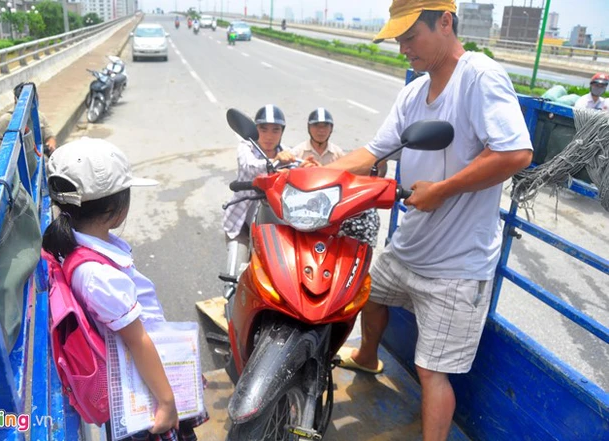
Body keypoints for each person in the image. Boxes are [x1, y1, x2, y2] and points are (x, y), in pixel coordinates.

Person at [326, 1, 533, 440]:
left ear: (444, 21)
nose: (403, 48)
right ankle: (366, 356)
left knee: (430, 371)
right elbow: (373, 152)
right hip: (410, 248)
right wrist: (314, 176)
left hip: (457, 266)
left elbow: (516, 153)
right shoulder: (413, 93)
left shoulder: (479, 76)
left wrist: (441, 190)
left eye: (410, 36)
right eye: (398, 39)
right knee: (367, 291)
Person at [41, 138, 208, 441]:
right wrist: (168, 403)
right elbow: (137, 340)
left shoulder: (84, 251)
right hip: (145, 393)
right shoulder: (99, 275)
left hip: (140, 378)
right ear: (117, 208)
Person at [222, 105, 294, 276]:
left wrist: (306, 167)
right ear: (255, 130)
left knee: (274, 274)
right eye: (263, 129)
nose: (269, 136)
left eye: (275, 130)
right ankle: (229, 300)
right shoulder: (246, 147)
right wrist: (278, 162)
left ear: (281, 132)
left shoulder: (287, 152)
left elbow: (299, 169)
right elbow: (250, 168)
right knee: (234, 276)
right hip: (240, 223)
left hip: (272, 224)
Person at [0, 82, 57, 177]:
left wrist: (50, 145)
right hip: (20, 168)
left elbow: (50, 135)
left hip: (40, 161)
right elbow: (7, 151)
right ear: (16, 100)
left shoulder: (39, 116)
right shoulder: (8, 120)